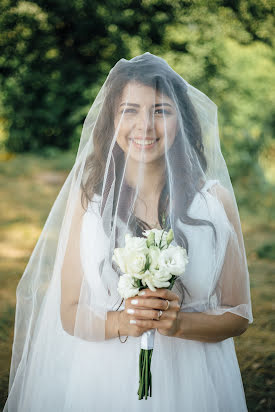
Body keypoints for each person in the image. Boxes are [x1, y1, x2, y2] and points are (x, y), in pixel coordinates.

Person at [3, 52, 253, 411]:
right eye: (130, 110)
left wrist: (178, 324)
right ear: (111, 120)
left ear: (181, 120)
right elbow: (70, 313)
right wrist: (123, 320)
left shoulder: (214, 202)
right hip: (104, 380)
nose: (145, 125)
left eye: (161, 110)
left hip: (195, 380)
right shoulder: (88, 201)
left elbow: (239, 315)